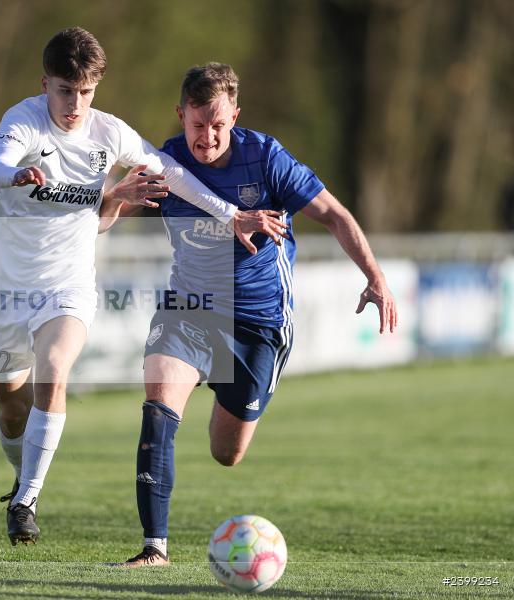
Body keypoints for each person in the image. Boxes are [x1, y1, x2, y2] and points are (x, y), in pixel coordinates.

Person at [0, 29, 287, 546]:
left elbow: (172, 173)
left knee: (54, 373)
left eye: (85, 92)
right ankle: (20, 477)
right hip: (6, 280)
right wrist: (16, 175)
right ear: (45, 84)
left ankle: (27, 500)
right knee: (13, 408)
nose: (74, 104)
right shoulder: (23, 119)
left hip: (67, 281)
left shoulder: (108, 132)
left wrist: (232, 215)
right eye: (63, 90)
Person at [104, 63, 398, 567]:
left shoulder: (265, 158)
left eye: (218, 124)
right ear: (181, 116)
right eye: (198, 124)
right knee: (157, 404)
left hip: (259, 323)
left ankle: (227, 395)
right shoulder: (167, 164)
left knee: (227, 453)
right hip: (190, 308)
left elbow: (332, 214)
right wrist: (114, 197)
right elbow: (102, 219)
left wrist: (375, 276)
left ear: (234, 116)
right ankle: (155, 547)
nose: (208, 136)